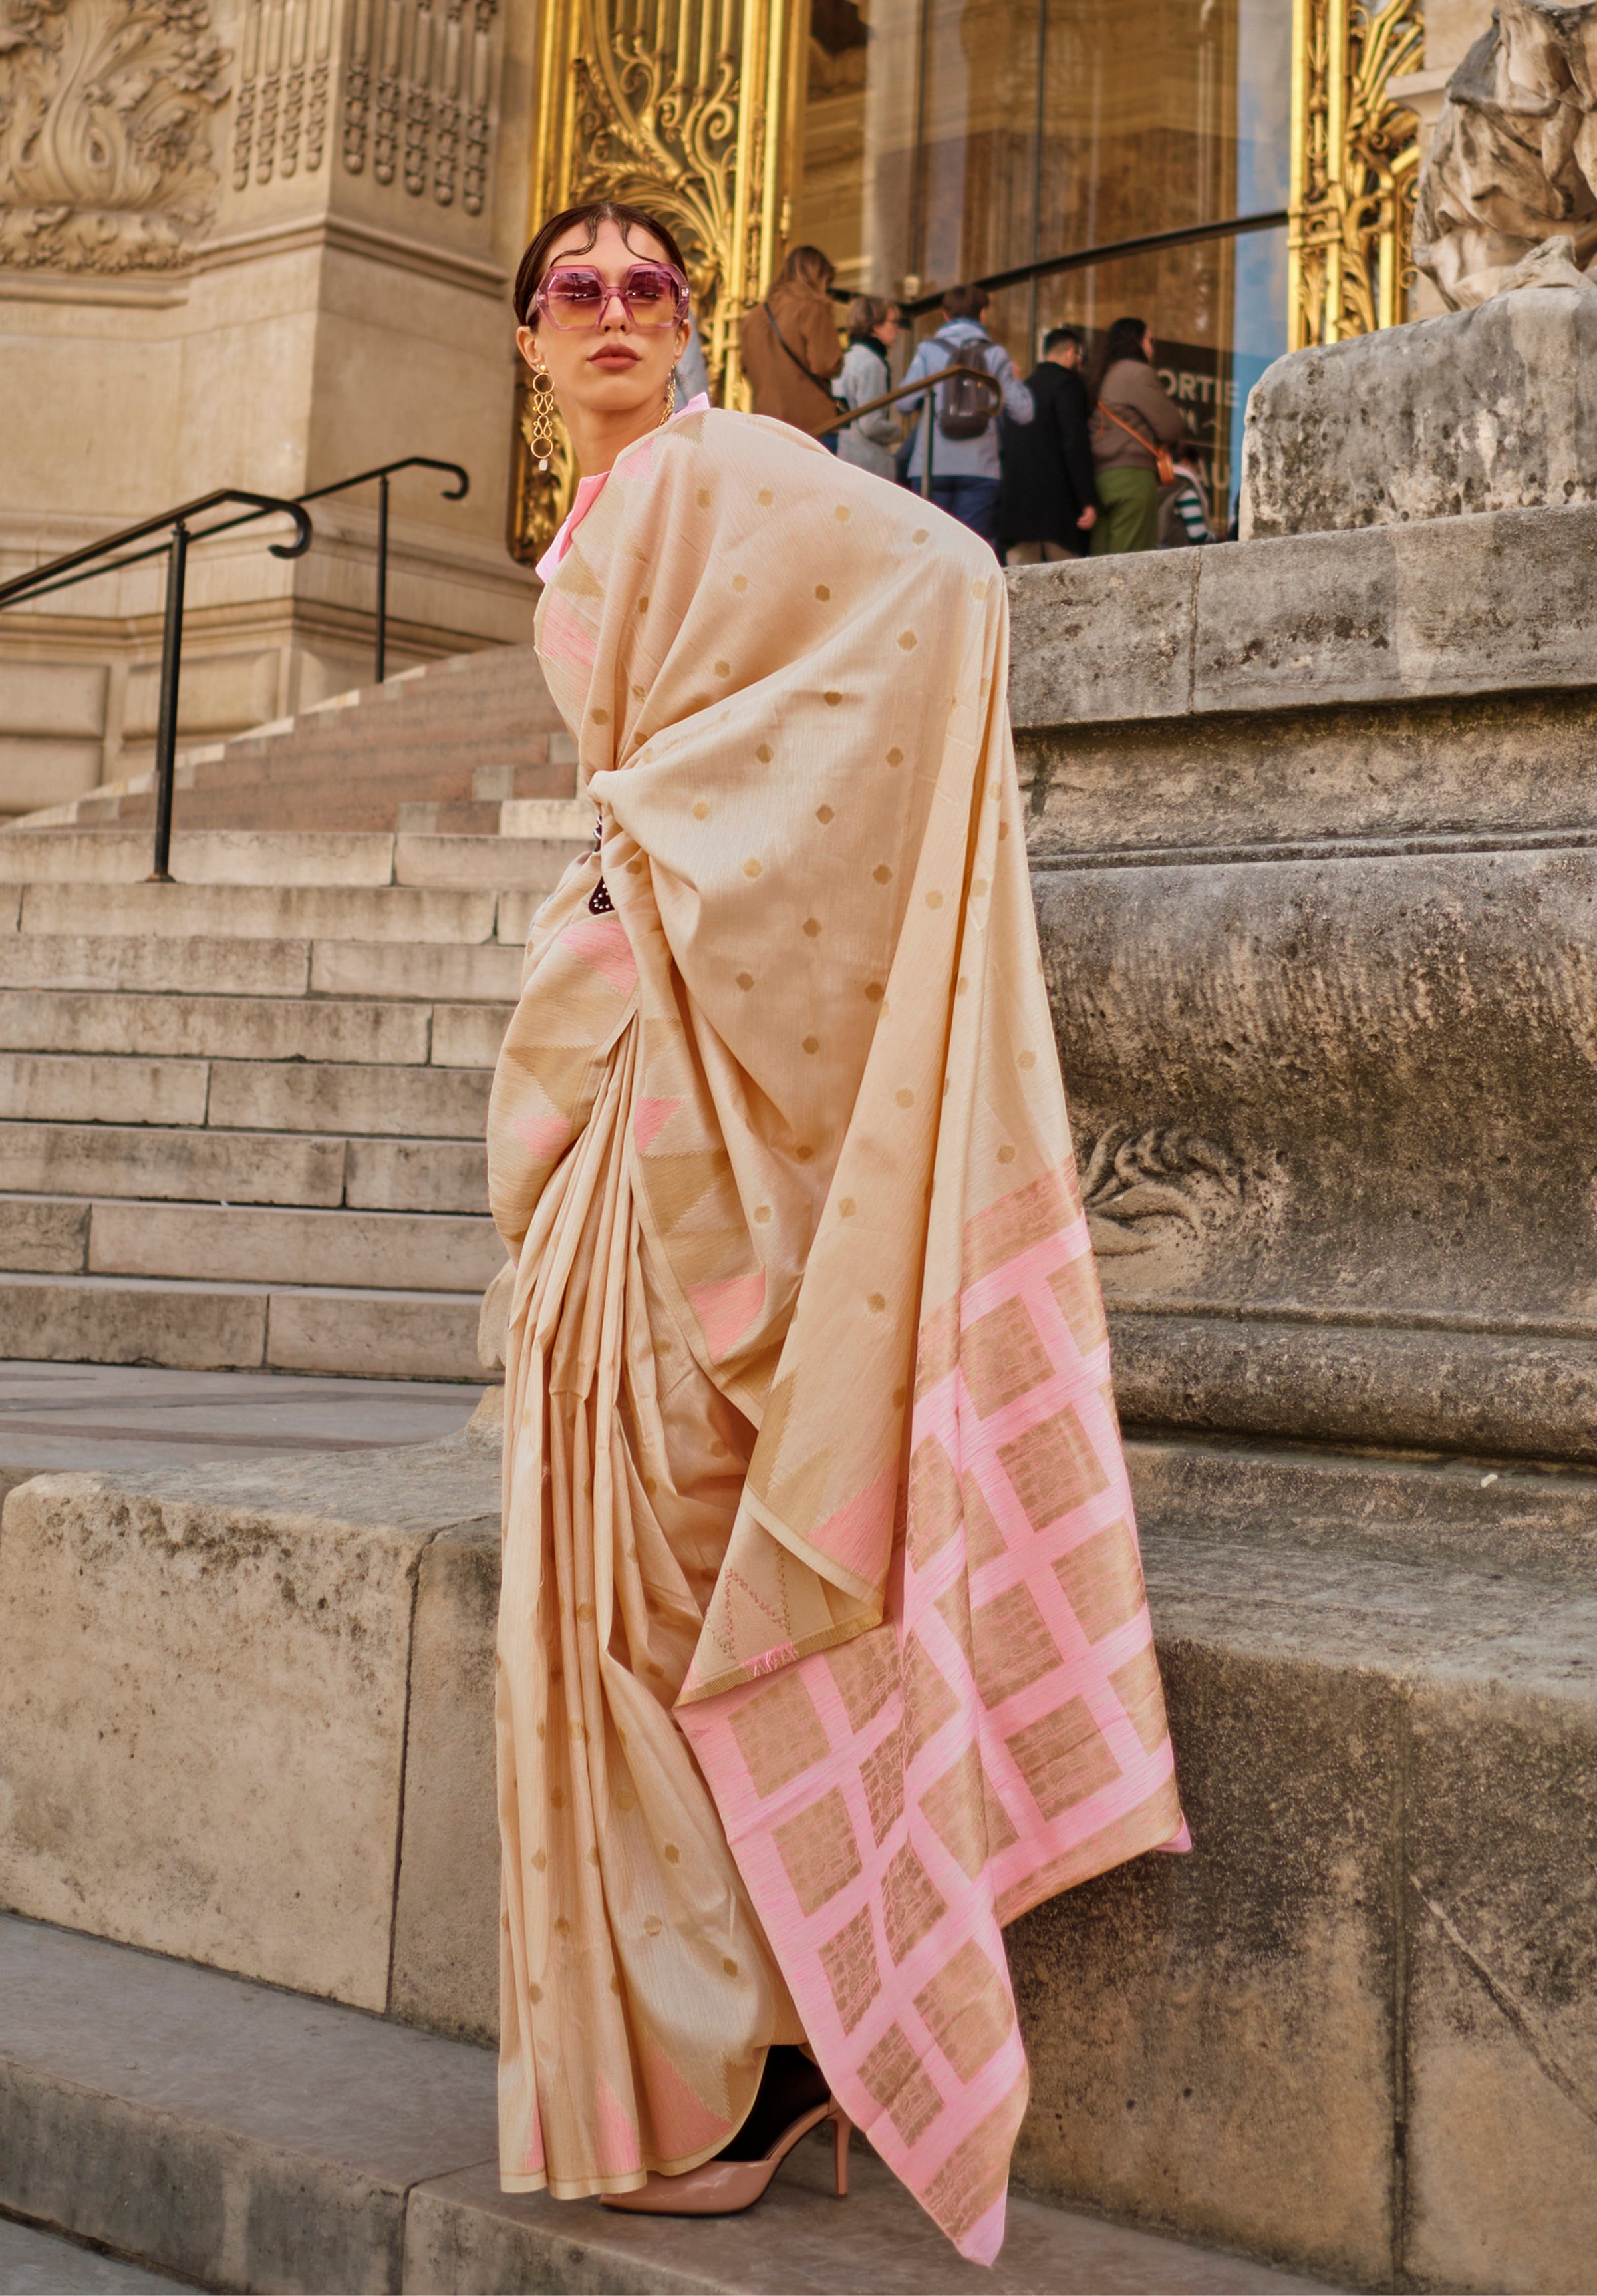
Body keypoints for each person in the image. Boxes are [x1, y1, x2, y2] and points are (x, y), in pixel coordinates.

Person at [499, 197, 1186, 2263]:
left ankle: (766, 2050)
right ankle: (697, 2046)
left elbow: (950, 580)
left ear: (692, 324)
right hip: (633, 1079)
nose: (612, 312)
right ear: (526, 341)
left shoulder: (727, 469)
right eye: (574, 290)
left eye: (646, 284)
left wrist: (667, 844)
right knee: (606, 1576)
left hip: (703, 1076)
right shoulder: (607, 519)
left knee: (676, 1571)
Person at [897, 283, 1034, 546]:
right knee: (973, 551)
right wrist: (1013, 381)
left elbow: (903, 403)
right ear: (983, 314)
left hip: (930, 466)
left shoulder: (928, 351)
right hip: (980, 468)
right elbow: (1024, 412)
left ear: (946, 315)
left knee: (929, 549)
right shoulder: (996, 355)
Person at [1086, 315, 1186, 556]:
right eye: (1151, 340)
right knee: (1130, 566)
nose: (1152, 347)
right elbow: (1171, 426)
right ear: (1137, 341)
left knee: (1100, 564)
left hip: (1100, 480)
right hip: (1133, 480)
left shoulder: (1101, 375)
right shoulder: (1138, 373)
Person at [998, 325, 1097, 564]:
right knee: (1065, 586)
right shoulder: (1068, 385)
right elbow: (1074, 443)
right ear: (1070, 353)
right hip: (1057, 512)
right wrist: (1087, 500)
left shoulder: (1024, 388)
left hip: (1018, 509)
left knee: (1019, 589)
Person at [740, 245, 844, 439]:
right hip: (811, 424)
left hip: (766, 423)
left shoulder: (753, 317)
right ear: (819, 277)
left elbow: (746, 368)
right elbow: (825, 364)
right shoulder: (813, 307)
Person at [830, 295, 902, 478]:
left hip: (842, 456)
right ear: (875, 326)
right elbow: (871, 424)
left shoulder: (845, 358)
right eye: (893, 323)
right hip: (867, 464)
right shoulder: (873, 364)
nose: (898, 330)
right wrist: (900, 432)